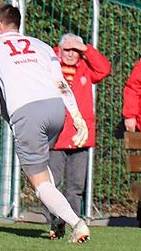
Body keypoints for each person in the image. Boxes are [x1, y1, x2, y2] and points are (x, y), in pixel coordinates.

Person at [0, 4, 91, 242]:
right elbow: (60, 82)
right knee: (43, 168)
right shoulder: (41, 45)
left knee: (40, 183)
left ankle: (77, 224)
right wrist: (77, 116)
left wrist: (11, 120)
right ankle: (57, 219)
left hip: (26, 112)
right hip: (55, 109)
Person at [44, 33, 111, 239]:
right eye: (68, 49)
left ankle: (74, 224)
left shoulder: (86, 67)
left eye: (76, 50)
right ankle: (54, 223)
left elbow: (104, 69)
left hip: (80, 138)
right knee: (52, 184)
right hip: (56, 135)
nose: (71, 54)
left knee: (75, 187)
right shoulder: (50, 65)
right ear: (60, 49)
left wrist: (86, 49)